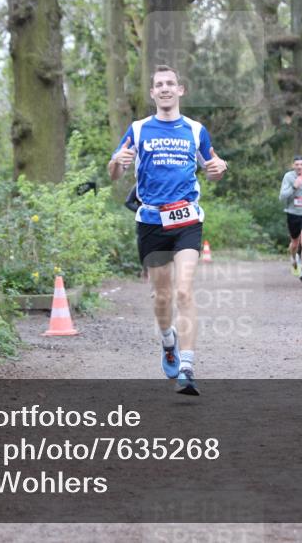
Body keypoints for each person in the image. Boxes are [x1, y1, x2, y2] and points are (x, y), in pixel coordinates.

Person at [108, 65, 227, 395]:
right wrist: (118, 160)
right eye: (158, 84)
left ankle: (187, 367)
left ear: (180, 90)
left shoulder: (195, 130)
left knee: (185, 291)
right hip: (151, 222)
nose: (164, 88)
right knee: (161, 296)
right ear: (152, 93)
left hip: (187, 219)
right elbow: (114, 174)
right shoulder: (138, 128)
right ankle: (168, 341)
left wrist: (220, 167)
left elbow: (213, 166)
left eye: (170, 83)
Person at [279, 156, 302, 282]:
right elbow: (282, 197)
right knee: (294, 243)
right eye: (296, 164)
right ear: (293, 166)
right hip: (292, 213)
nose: (299, 167)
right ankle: (294, 258)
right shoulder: (288, 177)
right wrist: (294, 187)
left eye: (301, 164)